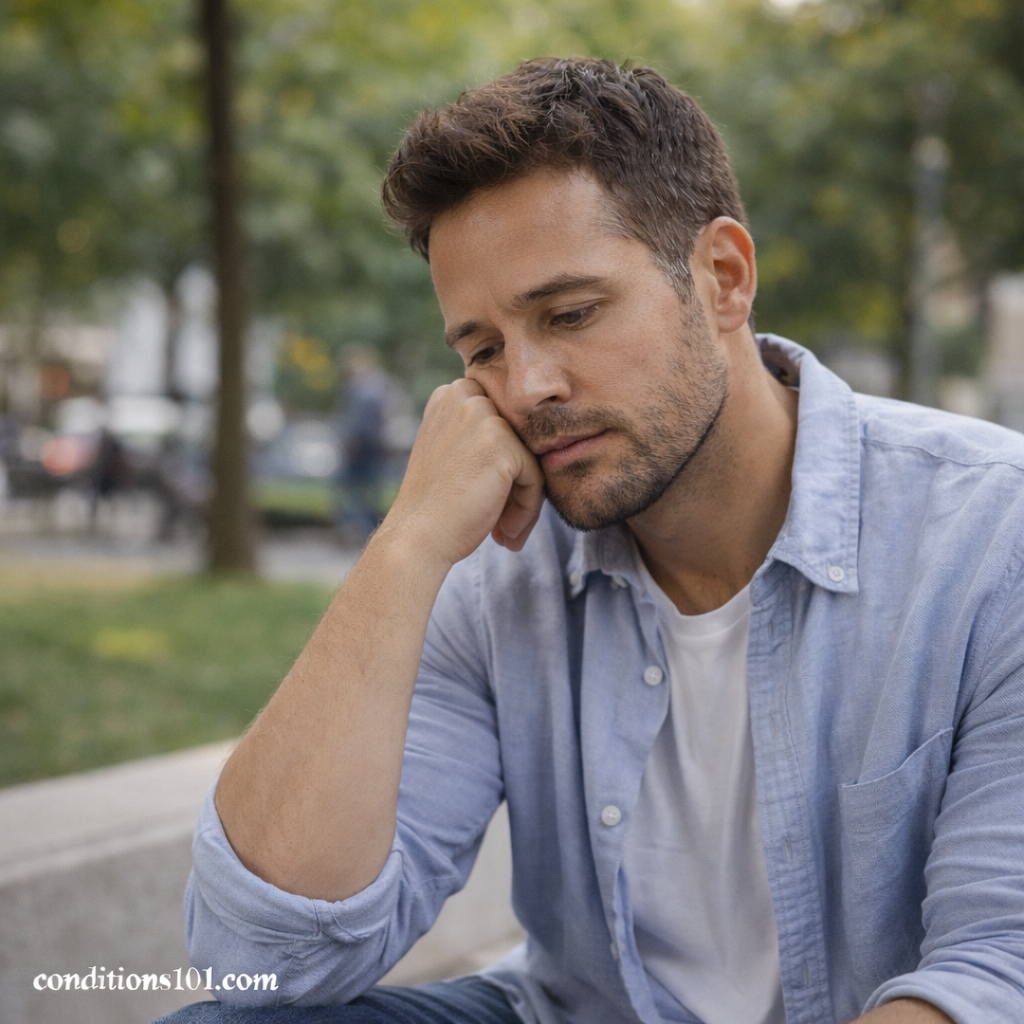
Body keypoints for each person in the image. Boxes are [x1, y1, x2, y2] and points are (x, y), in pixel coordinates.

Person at [156, 58, 1024, 1024]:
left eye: (570, 314)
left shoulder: (990, 536)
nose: (525, 388)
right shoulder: (493, 572)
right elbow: (260, 964)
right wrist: (404, 550)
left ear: (724, 278)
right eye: (481, 349)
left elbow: (996, 972)